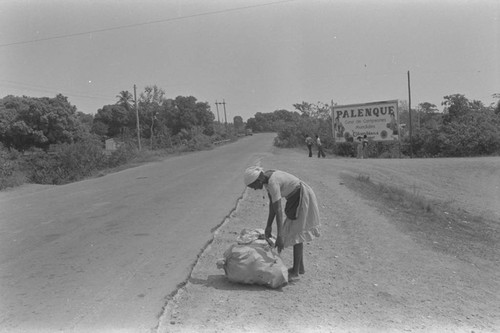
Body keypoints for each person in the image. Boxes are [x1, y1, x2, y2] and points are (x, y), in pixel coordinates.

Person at [244, 166, 321, 278]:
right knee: (296, 232)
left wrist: (280, 235)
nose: (255, 189)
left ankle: (295, 270)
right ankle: (300, 267)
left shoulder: (272, 183)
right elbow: (272, 205)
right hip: (294, 197)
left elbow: (278, 209)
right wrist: (268, 226)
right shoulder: (267, 178)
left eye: (253, 186)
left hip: (301, 195)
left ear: (258, 180)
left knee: (297, 233)